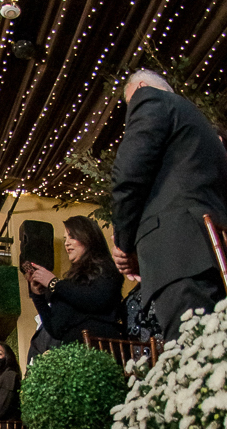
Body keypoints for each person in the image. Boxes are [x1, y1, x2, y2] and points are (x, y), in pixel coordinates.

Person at [111, 69, 227, 341]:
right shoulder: (199, 129)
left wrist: (124, 245)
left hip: (178, 255)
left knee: (192, 350)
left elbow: (128, 175)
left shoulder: (149, 99)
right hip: (206, 253)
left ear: (140, 86)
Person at [24, 215, 123, 344]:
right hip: (71, 352)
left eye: (72, 237)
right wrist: (38, 296)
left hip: (99, 350)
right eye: (65, 239)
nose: (66, 243)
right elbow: (56, 329)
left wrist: (53, 283)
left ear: (88, 238)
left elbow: (96, 300)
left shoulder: (106, 269)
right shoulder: (68, 284)